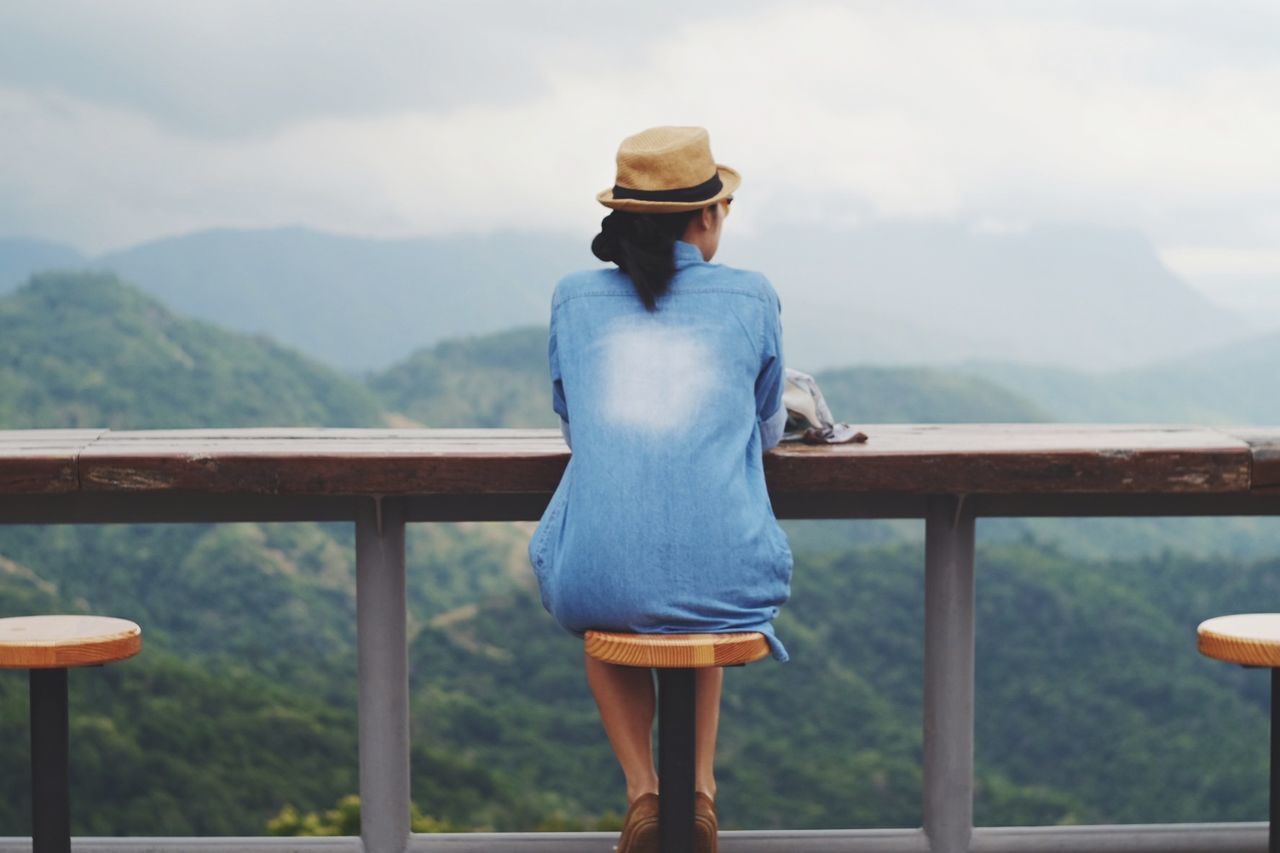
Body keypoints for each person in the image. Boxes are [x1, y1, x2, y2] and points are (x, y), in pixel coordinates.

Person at [528, 126, 793, 853]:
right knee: (699, 610)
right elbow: (766, 430)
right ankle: (700, 790)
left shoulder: (574, 298)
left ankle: (644, 787)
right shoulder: (751, 294)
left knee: (603, 602)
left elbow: (576, 426)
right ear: (705, 217)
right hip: (729, 576)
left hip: (598, 577)